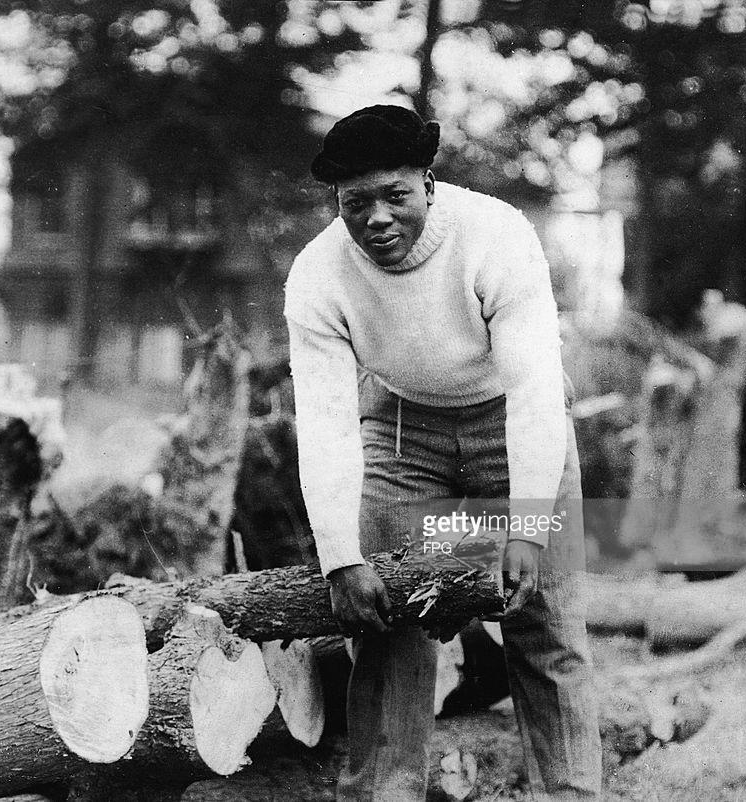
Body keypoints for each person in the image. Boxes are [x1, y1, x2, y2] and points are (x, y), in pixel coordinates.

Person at [283, 105, 602, 801]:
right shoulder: (317, 274)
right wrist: (341, 556)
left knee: (544, 622)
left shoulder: (496, 235)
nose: (376, 219)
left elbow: (536, 395)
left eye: (394, 195)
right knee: (389, 622)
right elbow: (328, 423)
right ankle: (384, 792)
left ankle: (572, 792)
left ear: (428, 182)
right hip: (403, 432)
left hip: (508, 422)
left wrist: (523, 527)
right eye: (354, 202)